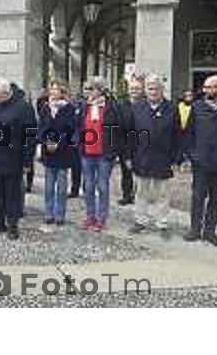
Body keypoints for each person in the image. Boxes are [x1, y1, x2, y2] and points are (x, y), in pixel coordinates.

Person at [183, 74, 217, 246]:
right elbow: (189, 132)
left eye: (210, 87)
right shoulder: (198, 106)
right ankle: (194, 229)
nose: (206, 90)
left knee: (216, 198)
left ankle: (210, 232)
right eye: (205, 87)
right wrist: (190, 155)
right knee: (198, 196)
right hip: (201, 161)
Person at [127, 74, 180, 237]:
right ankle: (140, 221)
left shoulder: (172, 108)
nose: (153, 91)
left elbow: (177, 134)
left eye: (156, 88)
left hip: (163, 157)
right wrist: (128, 156)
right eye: (150, 88)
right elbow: (130, 134)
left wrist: (176, 159)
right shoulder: (137, 107)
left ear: (162, 89)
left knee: (162, 193)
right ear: (146, 90)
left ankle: (161, 222)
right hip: (141, 156)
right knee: (141, 191)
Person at [0, 77, 37, 240]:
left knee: (12, 194)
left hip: (14, 157)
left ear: (5, 93)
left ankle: (12, 225)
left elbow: (29, 137)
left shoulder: (23, 108)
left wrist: (27, 161)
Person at [75, 76, 122, 232]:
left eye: (91, 89)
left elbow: (118, 130)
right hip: (86, 152)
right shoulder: (83, 106)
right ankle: (90, 216)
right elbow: (78, 126)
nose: (88, 92)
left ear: (100, 90)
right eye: (87, 88)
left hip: (104, 153)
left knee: (102, 186)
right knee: (88, 186)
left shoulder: (112, 106)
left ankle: (102, 218)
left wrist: (115, 151)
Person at [37, 80, 76, 226]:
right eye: (51, 89)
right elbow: (40, 128)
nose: (53, 92)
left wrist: (58, 143)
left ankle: (60, 214)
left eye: (56, 89)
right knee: (48, 187)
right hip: (48, 152)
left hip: (63, 152)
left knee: (61, 187)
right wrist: (46, 142)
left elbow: (70, 131)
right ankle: (48, 213)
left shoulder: (69, 109)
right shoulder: (45, 108)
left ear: (62, 92)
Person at [117, 76, 145, 206]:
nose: (134, 90)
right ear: (128, 90)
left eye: (137, 88)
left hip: (143, 143)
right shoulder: (122, 105)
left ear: (142, 90)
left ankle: (140, 196)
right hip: (125, 144)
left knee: (141, 173)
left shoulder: (146, 105)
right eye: (132, 88)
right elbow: (117, 127)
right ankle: (127, 195)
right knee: (126, 172)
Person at [177, 88, 194, 168]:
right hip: (180, 131)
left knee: (189, 147)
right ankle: (180, 161)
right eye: (186, 96)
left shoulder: (195, 106)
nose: (188, 97)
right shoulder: (179, 105)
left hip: (190, 131)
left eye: (190, 95)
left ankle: (188, 161)